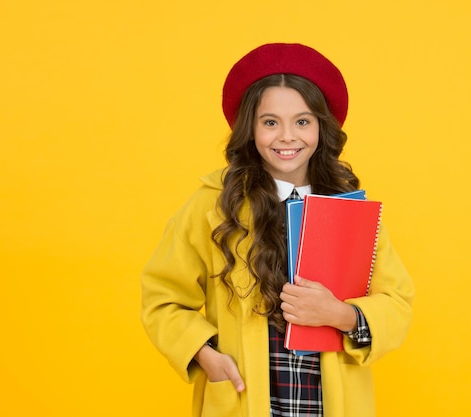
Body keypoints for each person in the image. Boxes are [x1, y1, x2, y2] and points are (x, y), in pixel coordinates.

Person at [141, 43, 414, 417]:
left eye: (302, 121)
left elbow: (397, 302)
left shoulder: (349, 208)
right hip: (245, 398)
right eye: (270, 122)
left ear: (322, 127)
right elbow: (162, 299)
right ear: (249, 129)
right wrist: (205, 355)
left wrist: (340, 315)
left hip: (327, 403)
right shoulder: (211, 205)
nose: (287, 136)